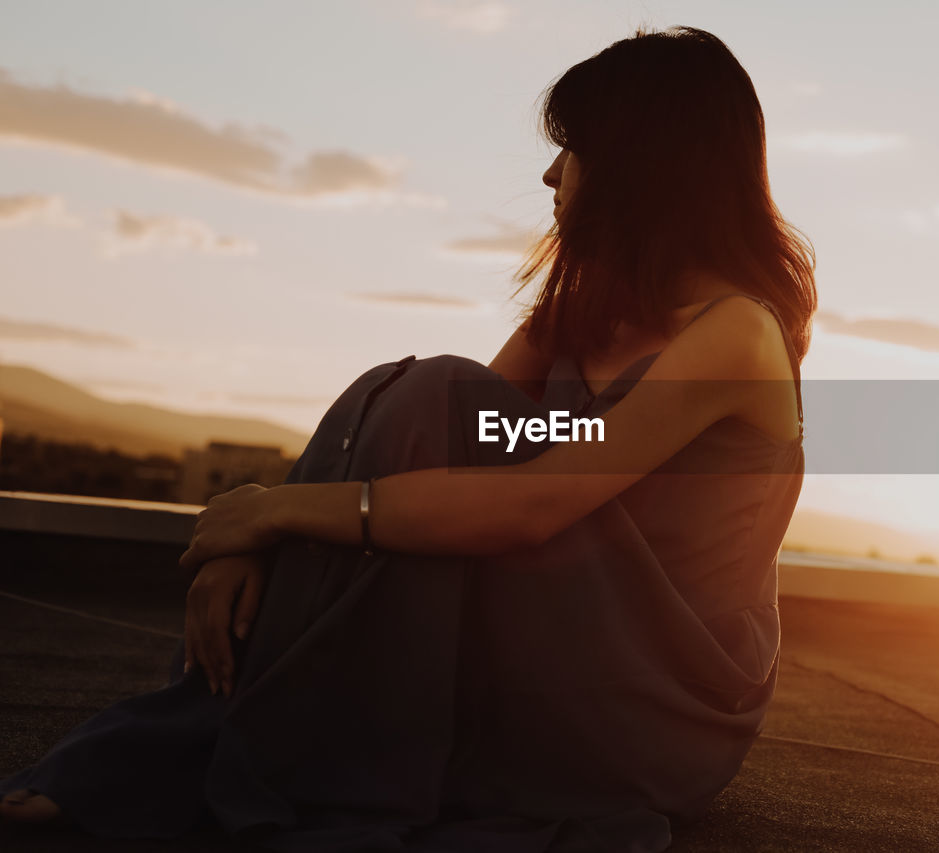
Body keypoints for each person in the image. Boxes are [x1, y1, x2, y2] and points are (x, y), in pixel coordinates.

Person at [0, 24, 814, 853]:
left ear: (647, 165)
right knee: (423, 391)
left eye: (573, 150)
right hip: (553, 649)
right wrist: (248, 538)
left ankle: (181, 751)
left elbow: (533, 504)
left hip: (660, 701)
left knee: (428, 393)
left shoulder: (735, 336)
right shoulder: (586, 312)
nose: (549, 174)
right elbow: (436, 441)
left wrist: (274, 513)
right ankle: (211, 742)